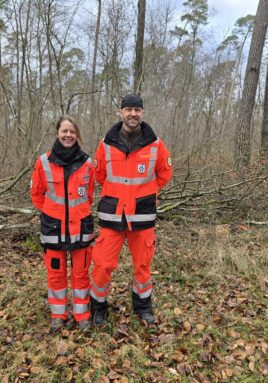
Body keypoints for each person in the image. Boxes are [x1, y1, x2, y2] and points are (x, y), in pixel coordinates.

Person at [89, 94, 172, 326]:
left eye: (137, 109)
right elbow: (100, 176)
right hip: (112, 215)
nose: (133, 114)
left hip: (142, 216)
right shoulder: (106, 144)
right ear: (120, 112)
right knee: (103, 264)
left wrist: (146, 193)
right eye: (128, 109)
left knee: (143, 265)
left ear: (142, 113)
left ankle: (143, 307)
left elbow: (164, 174)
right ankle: (97, 307)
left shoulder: (155, 145)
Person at [30, 116, 95, 332]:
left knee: (81, 274)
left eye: (72, 132)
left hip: (81, 230)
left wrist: (77, 214)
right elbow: (37, 195)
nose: (68, 135)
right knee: (56, 275)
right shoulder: (43, 162)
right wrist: (52, 214)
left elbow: (89, 195)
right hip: (53, 230)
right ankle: (58, 314)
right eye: (64, 131)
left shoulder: (87, 163)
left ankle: (82, 315)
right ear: (57, 133)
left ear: (77, 135)